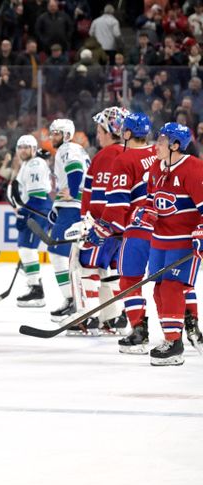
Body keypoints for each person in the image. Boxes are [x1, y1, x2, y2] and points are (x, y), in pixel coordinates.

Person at [88, 113, 156, 354]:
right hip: (163, 228)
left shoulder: (124, 159)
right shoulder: (158, 152)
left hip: (138, 228)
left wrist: (100, 228)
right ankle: (186, 329)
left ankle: (139, 329)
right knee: (172, 283)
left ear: (127, 133)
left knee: (129, 279)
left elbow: (117, 205)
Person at [149, 123, 203, 365]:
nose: (156, 145)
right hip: (159, 241)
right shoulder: (156, 167)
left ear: (175, 145)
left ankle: (175, 343)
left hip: (183, 242)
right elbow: (152, 202)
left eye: (161, 141)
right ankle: (173, 336)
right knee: (159, 289)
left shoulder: (194, 169)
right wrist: (145, 214)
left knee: (172, 287)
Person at [77, 107, 129, 335]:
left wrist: (88, 222)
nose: (97, 134)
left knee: (86, 265)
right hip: (123, 228)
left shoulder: (106, 155)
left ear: (110, 131)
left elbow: (97, 195)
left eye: (100, 130)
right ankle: (114, 316)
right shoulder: (130, 153)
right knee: (111, 269)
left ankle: (89, 317)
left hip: (103, 225)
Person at [46, 119, 90, 326]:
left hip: (73, 208)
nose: (51, 137)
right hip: (73, 207)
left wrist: (72, 192)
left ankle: (72, 300)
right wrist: (57, 207)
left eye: (55, 133)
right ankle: (77, 300)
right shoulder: (76, 149)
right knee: (73, 258)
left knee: (58, 255)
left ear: (65, 135)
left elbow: (75, 171)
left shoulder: (67, 148)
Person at [7, 135, 52, 308]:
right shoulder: (27, 164)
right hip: (33, 208)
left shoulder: (34, 164)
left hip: (37, 209)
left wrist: (24, 213)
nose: (23, 150)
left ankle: (36, 290)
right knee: (25, 249)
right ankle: (34, 283)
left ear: (33, 149)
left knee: (27, 249)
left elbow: (38, 195)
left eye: (27, 147)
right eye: (20, 147)